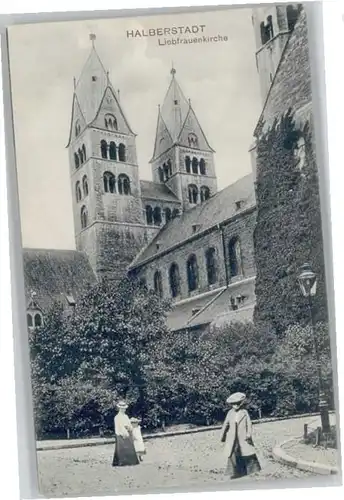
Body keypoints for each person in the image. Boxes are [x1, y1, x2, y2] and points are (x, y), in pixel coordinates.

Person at [220, 392, 261, 479]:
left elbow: (249, 424)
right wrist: (222, 436)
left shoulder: (244, 412)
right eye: (234, 404)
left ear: (241, 403)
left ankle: (252, 470)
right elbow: (225, 425)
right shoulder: (230, 413)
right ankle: (235, 472)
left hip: (243, 437)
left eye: (238, 403)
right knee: (233, 454)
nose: (236, 406)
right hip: (232, 438)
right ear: (231, 405)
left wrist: (249, 434)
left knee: (248, 453)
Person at [112, 401, 140, 467]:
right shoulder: (117, 417)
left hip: (127, 432)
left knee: (129, 447)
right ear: (119, 408)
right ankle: (121, 462)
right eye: (122, 408)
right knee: (121, 448)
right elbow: (119, 427)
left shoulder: (126, 416)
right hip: (120, 433)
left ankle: (130, 461)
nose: (124, 409)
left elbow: (128, 424)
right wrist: (123, 433)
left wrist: (130, 429)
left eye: (124, 408)